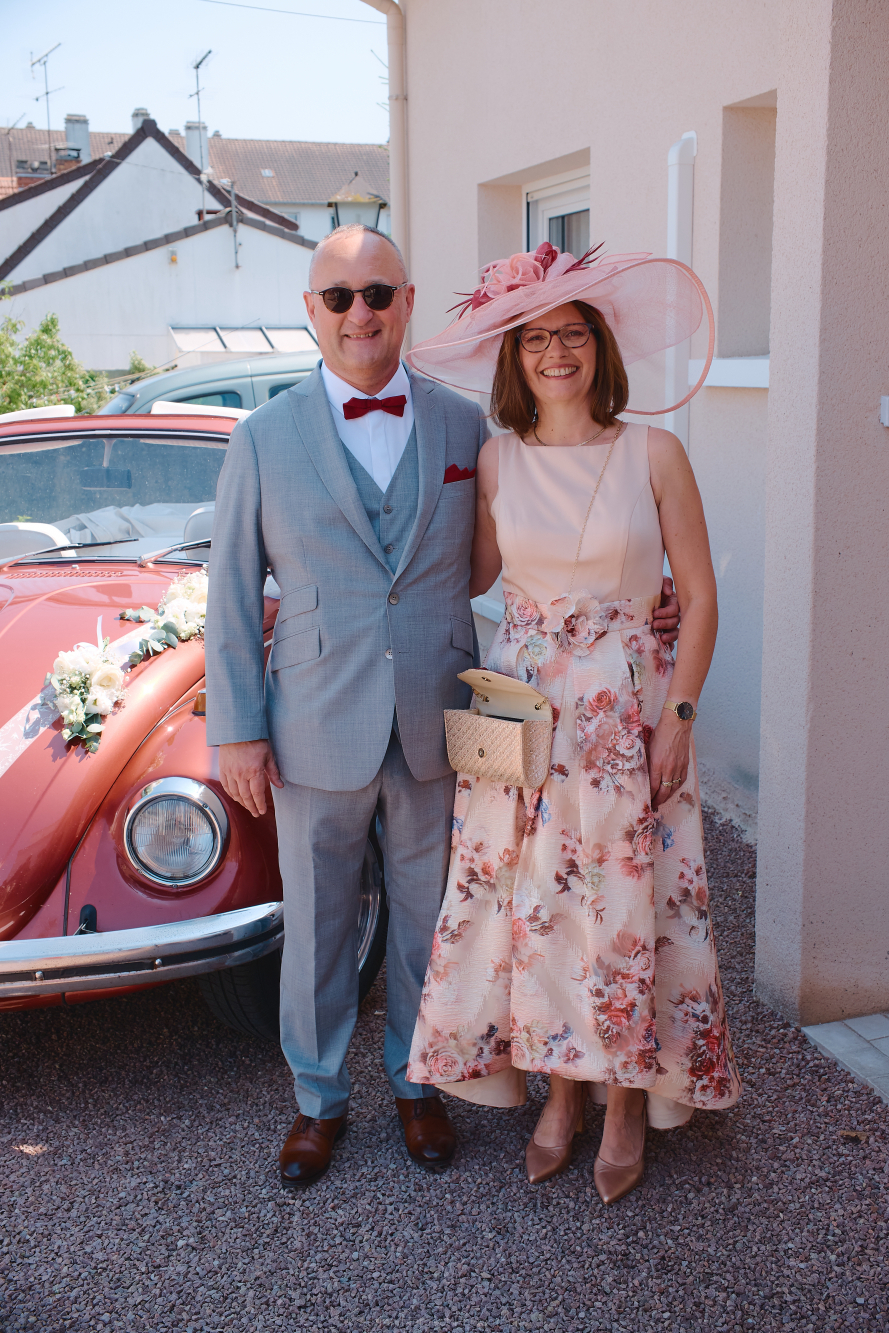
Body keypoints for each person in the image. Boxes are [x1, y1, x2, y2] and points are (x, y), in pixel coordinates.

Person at [204, 225, 680, 1189]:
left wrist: (641, 597)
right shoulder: (260, 437)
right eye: (339, 297)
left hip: (442, 719)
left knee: (435, 918)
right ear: (311, 311)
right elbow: (230, 592)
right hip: (312, 722)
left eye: (377, 293)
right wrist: (238, 729)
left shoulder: (466, 429)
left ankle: (420, 1083)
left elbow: (524, 542)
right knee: (318, 927)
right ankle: (317, 1100)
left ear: (407, 302)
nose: (360, 313)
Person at [406, 241, 741, 1205]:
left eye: (573, 334)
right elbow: (464, 574)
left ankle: (625, 1097)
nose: (556, 352)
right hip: (526, 715)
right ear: (513, 357)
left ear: (599, 345)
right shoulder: (494, 460)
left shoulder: (655, 452)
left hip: (628, 713)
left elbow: (700, 597)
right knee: (535, 905)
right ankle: (559, 1090)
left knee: (626, 905)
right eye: (535, 338)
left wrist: (678, 715)